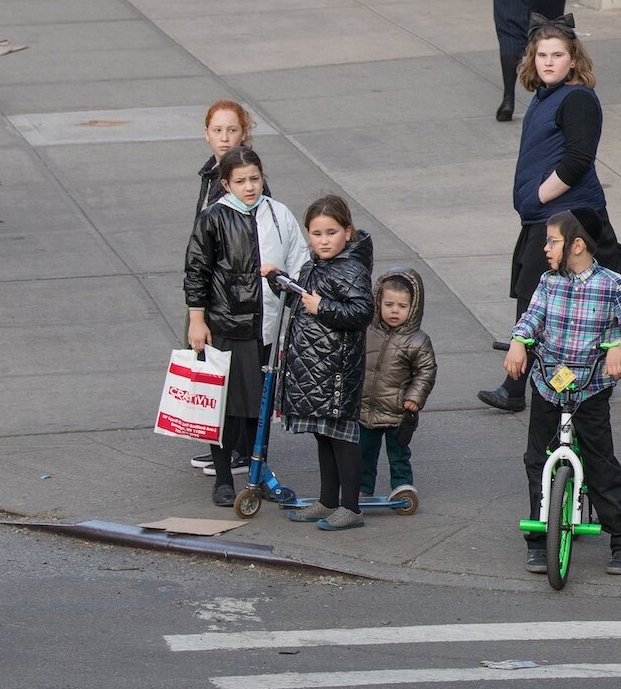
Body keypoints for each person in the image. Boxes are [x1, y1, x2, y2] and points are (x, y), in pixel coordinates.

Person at [479, 16, 621, 413]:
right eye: (542, 55)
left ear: (573, 59)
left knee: (542, 299)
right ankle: (554, 383)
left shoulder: (577, 98)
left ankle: (521, 388)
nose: (549, 62)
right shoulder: (545, 96)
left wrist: (539, 193)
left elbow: (579, 158)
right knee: (557, 302)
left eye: (558, 55)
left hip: (563, 218)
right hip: (545, 216)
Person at [504, 213, 621, 576]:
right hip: (550, 383)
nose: (546, 247)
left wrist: (617, 345)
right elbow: (530, 319)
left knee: (601, 465)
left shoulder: (612, 284)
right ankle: (540, 538)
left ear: (577, 245)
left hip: (590, 389)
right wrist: (519, 342)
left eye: (552, 241)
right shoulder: (548, 282)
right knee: (537, 459)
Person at [183, 146, 307, 505]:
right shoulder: (213, 217)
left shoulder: (278, 214)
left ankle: (259, 473)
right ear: (226, 183)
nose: (249, 187)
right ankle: (223, 478)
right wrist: (196, 319)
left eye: (255, 178)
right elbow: (197, 271)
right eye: (240, 181)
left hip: (265, 328)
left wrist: (287, 284)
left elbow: (300, 262)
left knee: (259, 407)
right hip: (224, 326)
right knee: (222, 407)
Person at [277, 196, 376, 531]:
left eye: (331, 232)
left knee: (342, 438)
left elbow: (362, 313)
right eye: (316, 233)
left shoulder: (351, 268)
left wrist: (326, 309)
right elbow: (302, 303)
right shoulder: (313, 265)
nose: (323, 240)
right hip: (314, 368)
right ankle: (327, 500)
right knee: (323, 435)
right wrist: (279, 281)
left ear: (347, 232)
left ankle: (350, 506)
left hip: (337, 371)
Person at [357, 269, 436, 506]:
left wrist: (415, 397)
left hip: (398, 410)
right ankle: (362, 487)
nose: (394, 311)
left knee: (399, 453)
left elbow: (426, 371)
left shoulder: (417, 340)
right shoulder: (367, 331)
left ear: (412, 308)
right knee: (364, 452)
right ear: (378, 302)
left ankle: (402, 485)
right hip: (366, 407)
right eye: (389, 304)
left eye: (402, 306)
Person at [195, 99, 263, 212]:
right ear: (207, 134)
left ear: (244, 133)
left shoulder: (248, 171)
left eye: (232, 130)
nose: (224, 138)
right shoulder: (210, 170)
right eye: (217, 130)